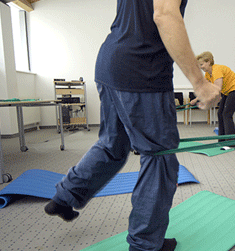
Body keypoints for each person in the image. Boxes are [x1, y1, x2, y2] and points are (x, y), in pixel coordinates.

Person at [43, 1, 221, 250]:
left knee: (112, 144)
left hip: (111, 63)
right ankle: (145, 244)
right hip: (142, 71)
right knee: (159, 157)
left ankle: (64, 197)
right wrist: (199, 82)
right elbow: (165, 14)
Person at [193, 51, 235, 150]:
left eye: (202, 64)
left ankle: (231, 144)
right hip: (228, 92)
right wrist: (196, 99)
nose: (201, 67)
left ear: (209, 62)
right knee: (220, 113)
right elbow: (206, 88)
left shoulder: (216, 70)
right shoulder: (208, 74)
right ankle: (222, 140)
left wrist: (206, 101)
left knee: (226, 114)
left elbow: (217, 89)